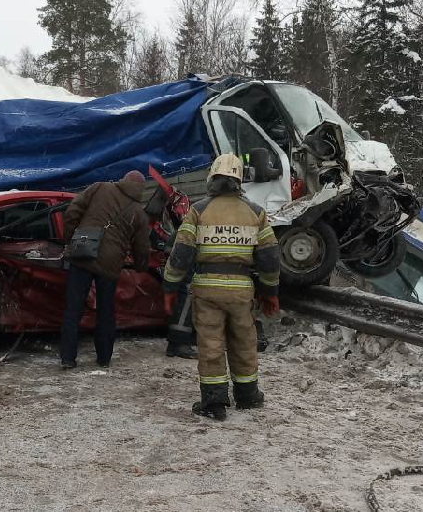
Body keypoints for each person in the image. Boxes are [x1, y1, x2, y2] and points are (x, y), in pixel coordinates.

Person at [161, 154, 281, 421]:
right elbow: (270, 258)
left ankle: (214, 402)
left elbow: (181, 254)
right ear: (239, 180)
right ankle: (248, 396)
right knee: (244, 342)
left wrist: (170, 287)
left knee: (211, 343)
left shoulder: (198, 211)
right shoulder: (256, 213)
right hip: (241, 291)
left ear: (212, 178)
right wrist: (270, 293)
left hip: (207, 290)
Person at [59, 170, 151, 369]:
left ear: (123, 179)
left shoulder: (100, 187)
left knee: (73, 309)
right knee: (106, 312)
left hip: (82, 253)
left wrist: (70, 240)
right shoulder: (139, 213)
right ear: (141, 189)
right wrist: (140, 266)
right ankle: (103, 358)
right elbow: (142, 248)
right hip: (110, 264)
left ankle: (67, 358)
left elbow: (72, 211)